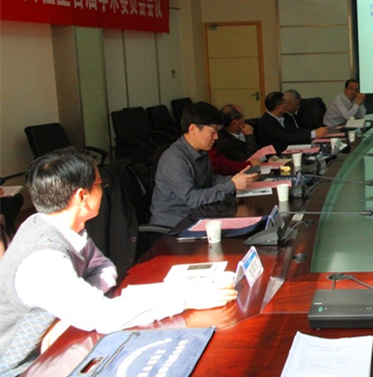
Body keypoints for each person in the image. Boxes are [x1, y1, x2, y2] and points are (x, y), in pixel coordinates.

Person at [0, 148, 237, 376]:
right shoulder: (42, 260)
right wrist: (186, 297)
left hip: (59, 347)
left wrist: (75, 309)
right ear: (82, 196)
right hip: (24, 368)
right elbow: (104, 316)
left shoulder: (59, 226)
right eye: (100, 185)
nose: (104, 190)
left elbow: (103, 267)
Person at [149, 102, 258, 227]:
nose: (216, 137)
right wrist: (232, 185)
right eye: (212, 132)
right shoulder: (174, 159)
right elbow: (192, 199)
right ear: (193, 129)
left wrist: (239, 179)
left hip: (198, 215)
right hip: (175, 225)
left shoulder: (202, 152)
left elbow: (212, 180)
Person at [256, 92, 328, 153]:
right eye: (285, 103)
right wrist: (313, 134)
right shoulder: (267, 122)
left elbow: (295, 131)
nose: (287, 105)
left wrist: (315, 132)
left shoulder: (282, 118)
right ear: (278, 107)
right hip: (276, 155)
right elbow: (287, 137)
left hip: (289, 150)